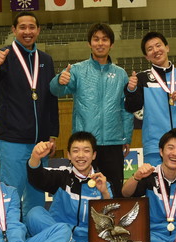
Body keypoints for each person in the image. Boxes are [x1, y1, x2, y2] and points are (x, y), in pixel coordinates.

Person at [0, 11, 59, 217]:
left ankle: (34, 239)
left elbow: (51, 99)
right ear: (14, 30)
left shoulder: (46, 60)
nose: (27, 31)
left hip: (40, 142)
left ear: (38, 30)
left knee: (36, 195)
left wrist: (53, 134)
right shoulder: (3, 55)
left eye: (31, 27)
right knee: (10, 193)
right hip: (12, 140)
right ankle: (10, 238)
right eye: (22, 27)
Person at [50, 23, 133, 198]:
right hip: (85, 145)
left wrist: (126, 137)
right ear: (89, 43)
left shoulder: (120, 74)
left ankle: (114, 224)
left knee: (114, 191)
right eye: (96, 39)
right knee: (82, 192)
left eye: (104, 39)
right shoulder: (78, 70)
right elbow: (56, 91)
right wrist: (59, 80)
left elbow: (126, 109)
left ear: (111, 44)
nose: (100, 43)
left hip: (113, 142)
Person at [25, 131, 112, 242]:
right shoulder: (62, 176)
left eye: (86, 151)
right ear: (69, 155)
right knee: (34, 214)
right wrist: (35, 157)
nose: (81, 155)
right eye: (76, 151)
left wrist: (104, 193)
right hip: (60, 237)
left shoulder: (102, 182)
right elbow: (37, 178)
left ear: (94, 155)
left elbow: (111, 219)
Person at [124, 32, 176, 170]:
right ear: (146, 56)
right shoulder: (142, 78)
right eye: (150, 49)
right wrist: (131, 90)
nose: (156, 50)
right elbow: (132, 106)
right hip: (155, 146)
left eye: (158, 45)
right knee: (155, 189)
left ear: (167, 47)